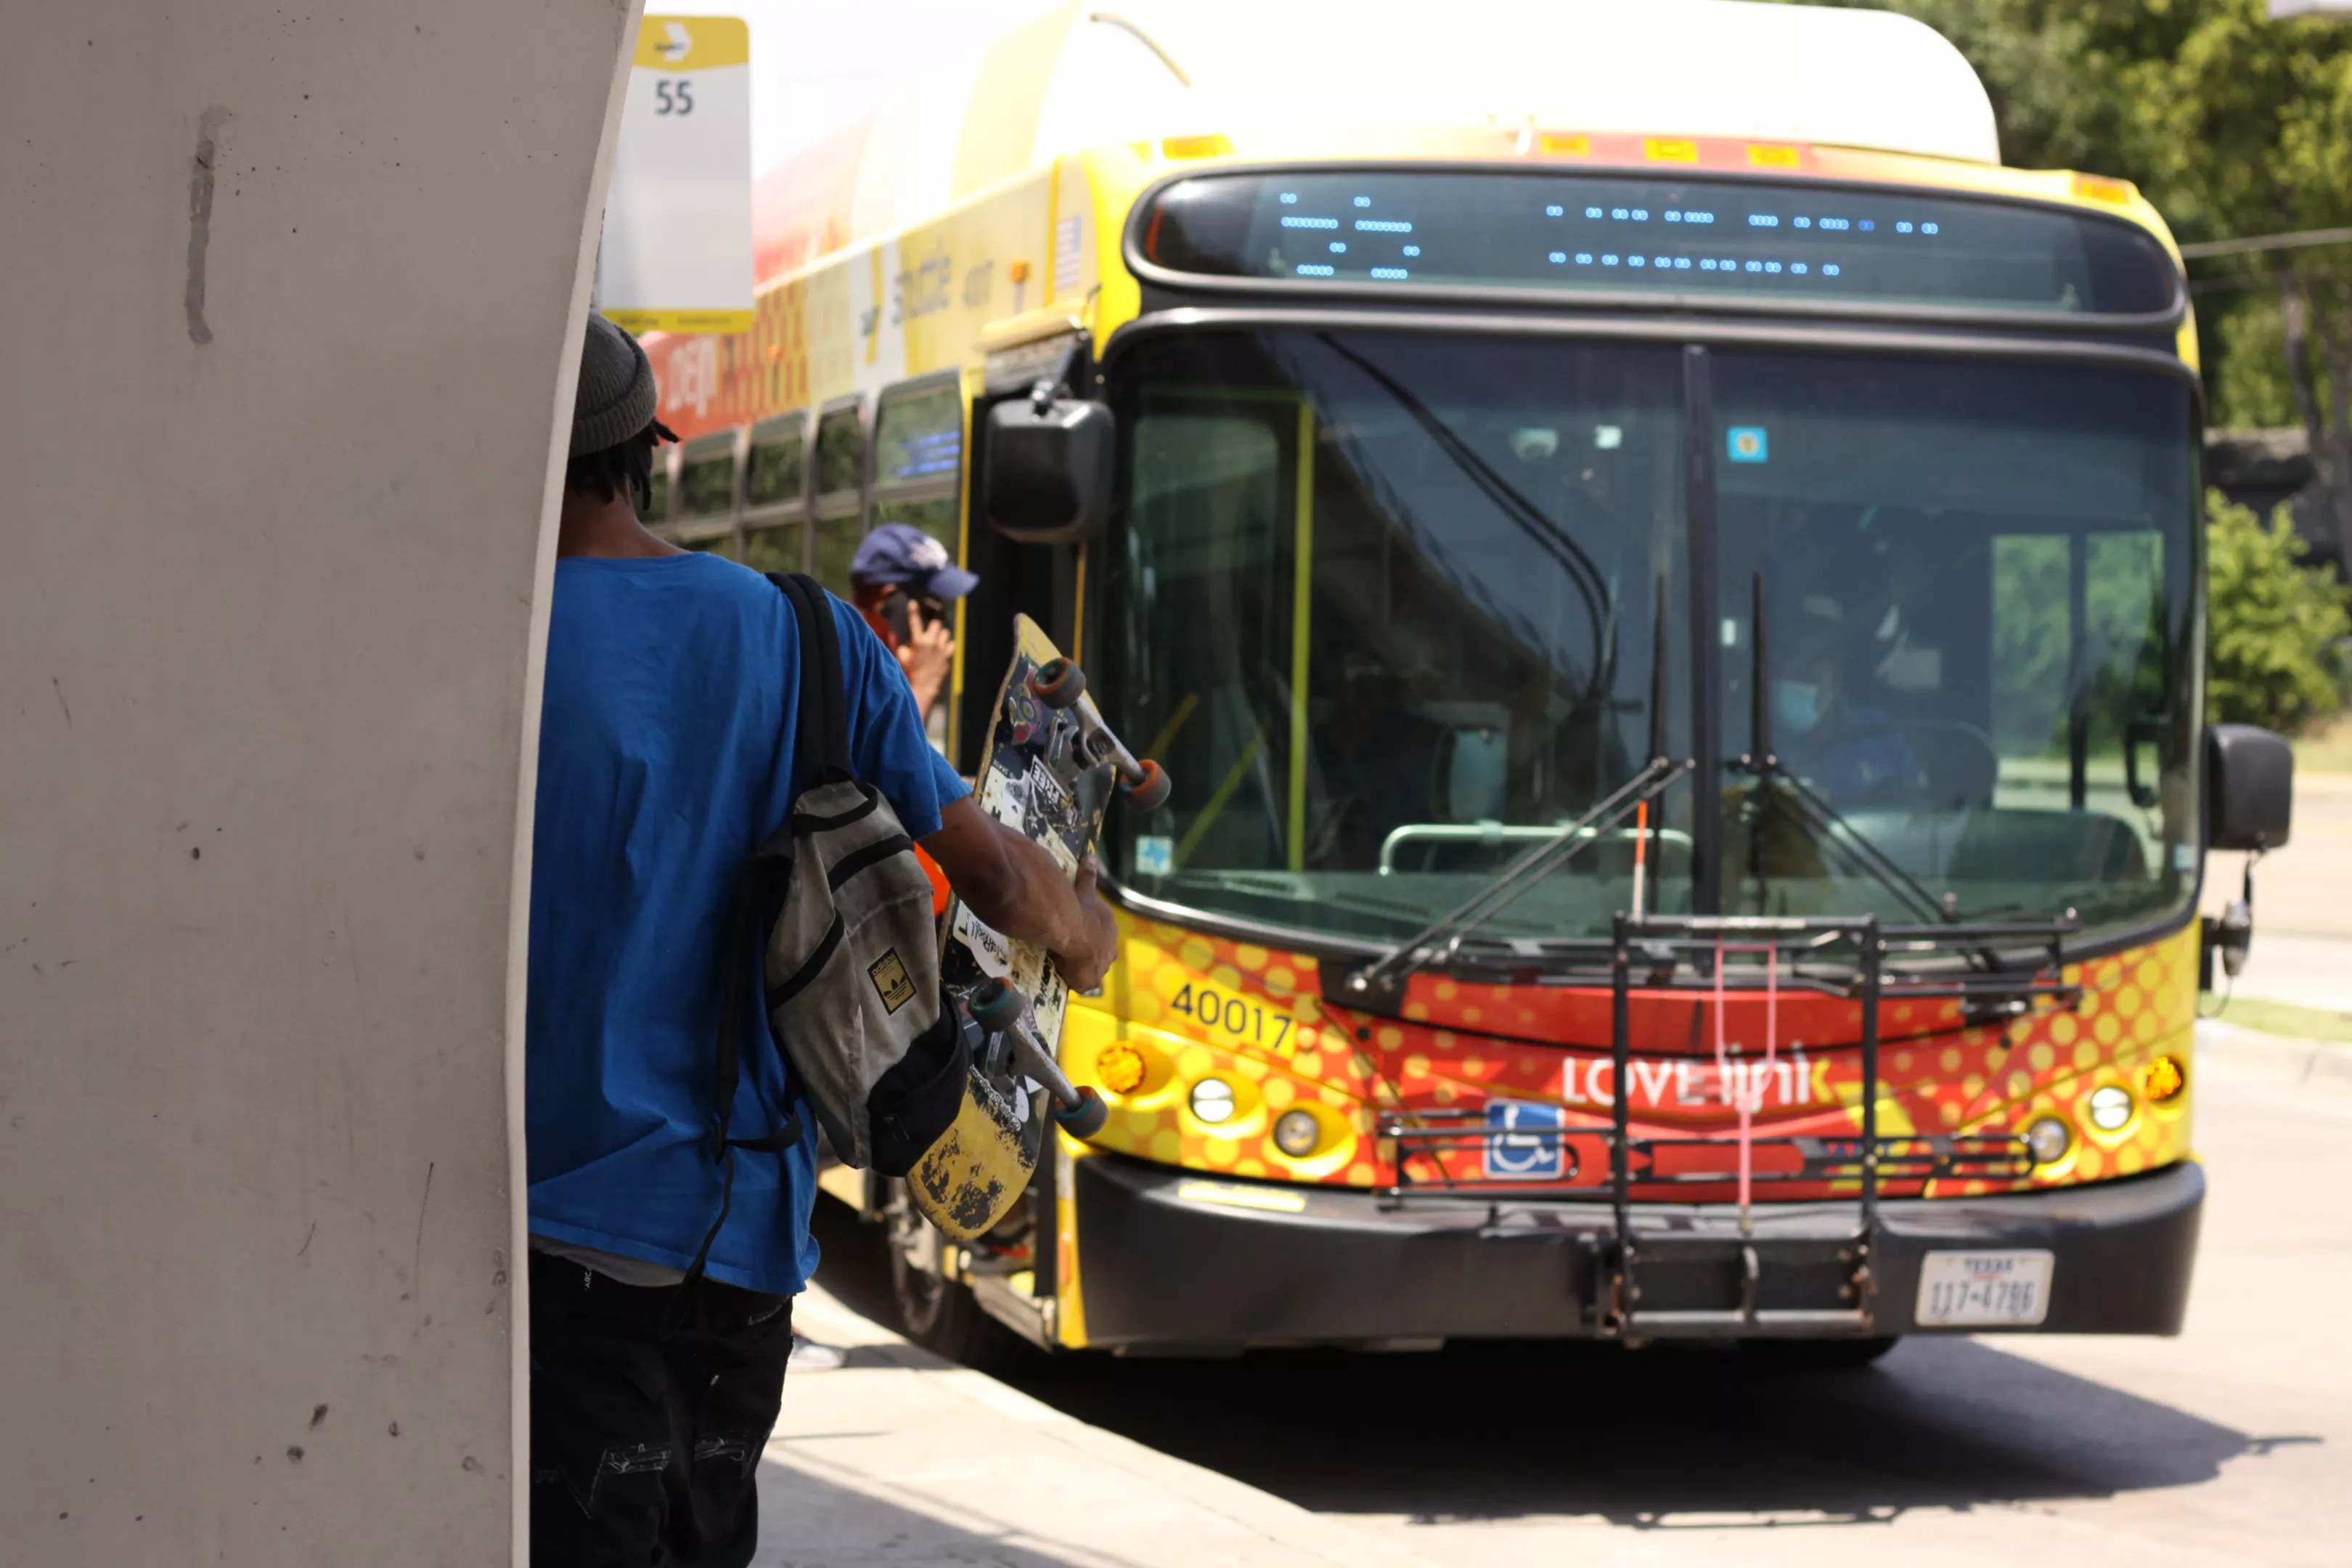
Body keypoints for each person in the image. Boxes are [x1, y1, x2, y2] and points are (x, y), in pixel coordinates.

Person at [526, 317, 1118, 1568]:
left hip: (530, 1241)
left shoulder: (473, 654)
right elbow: (1000, 878)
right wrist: (1082, 932)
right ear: (644, 450)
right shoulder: (805, 636)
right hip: (735, 1243)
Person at [848, 520, 973, 738]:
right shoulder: (843, 671)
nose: (936, 625)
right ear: (889, 602)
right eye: (928, 611)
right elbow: (885, 760)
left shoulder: (882, 672)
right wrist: (924, 689)